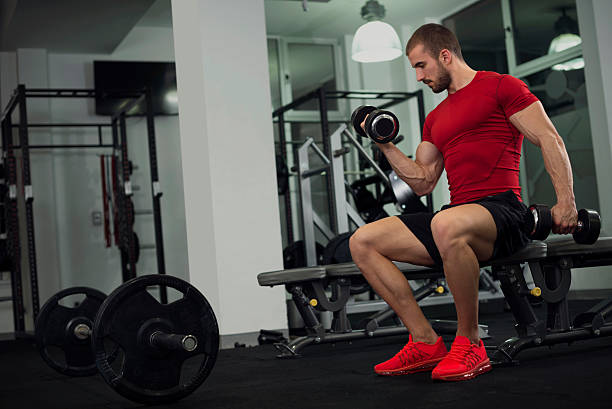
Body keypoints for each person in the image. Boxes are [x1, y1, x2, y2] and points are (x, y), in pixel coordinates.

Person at [349, 23, 578, 381]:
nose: (419, 76)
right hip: (457, 216)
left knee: (445, 223)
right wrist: (383, 143)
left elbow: (550, 139)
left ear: (445, 55)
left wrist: (566, 201)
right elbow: (423, 181)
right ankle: (425, 342)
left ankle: (470, 342)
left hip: (504, 211)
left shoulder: (502, 86)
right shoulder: (435, 118)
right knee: (362, 241)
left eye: (421, 65)